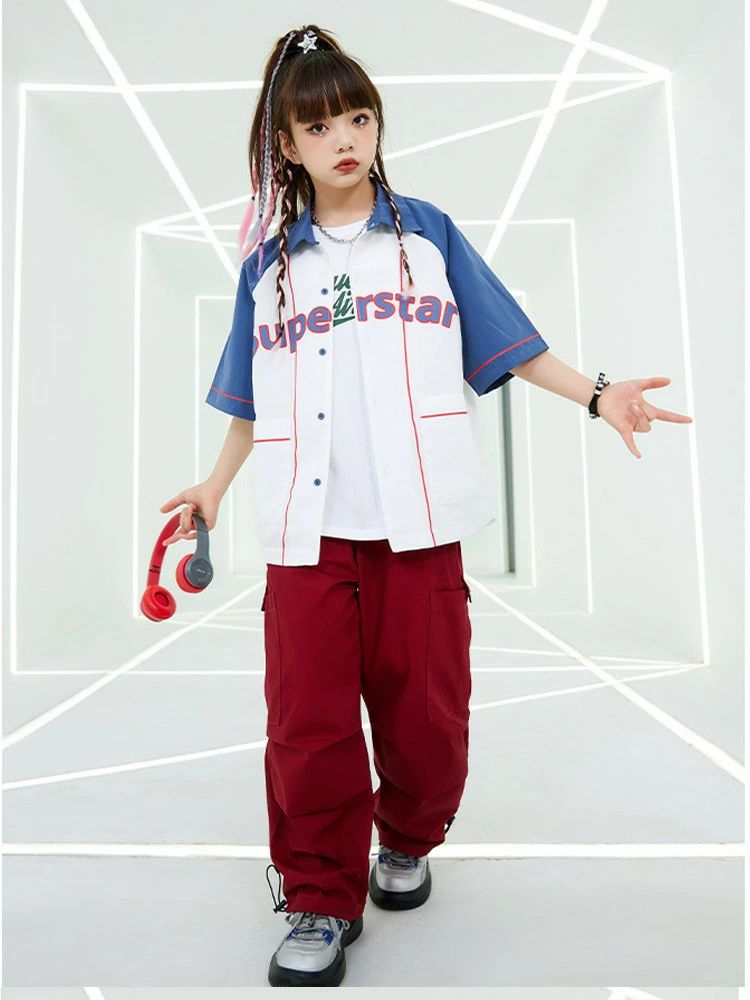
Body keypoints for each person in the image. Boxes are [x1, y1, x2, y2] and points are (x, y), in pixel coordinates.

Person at [159, 24, 693, 989]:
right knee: (307, 727)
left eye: (358, 117)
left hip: (419, 527)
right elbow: (249, 398)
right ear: (287, 145)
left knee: (430, 722)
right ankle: (320, 897)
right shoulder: (268, 269)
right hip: (307, 535)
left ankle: (406, 837)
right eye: (319, 126)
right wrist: (213, 484)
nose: (344, 139)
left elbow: (511, 342)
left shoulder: (430, 236)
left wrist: (597, 393)